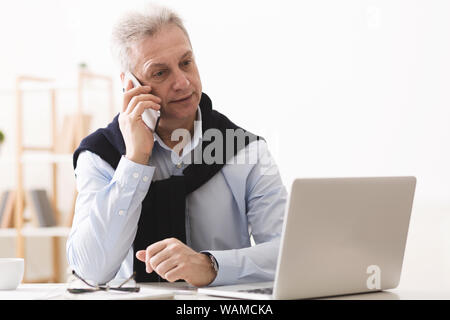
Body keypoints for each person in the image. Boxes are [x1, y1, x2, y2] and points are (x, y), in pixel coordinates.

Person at [66, 4, 287, 287]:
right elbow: (90, 271)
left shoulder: (244, 150)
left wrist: (213, 266)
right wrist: (135, 160)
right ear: (130, 85)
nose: (183, 83)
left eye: (186, 63)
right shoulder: (100, 155)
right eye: (160, 73)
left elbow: (288, 253)